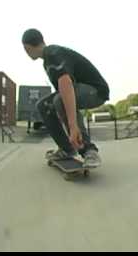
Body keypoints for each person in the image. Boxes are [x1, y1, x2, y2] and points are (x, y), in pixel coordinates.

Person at [22, 28, 109, 168]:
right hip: (79, 89)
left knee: (60, 99)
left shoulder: (52, 53)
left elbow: (66, 86)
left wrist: (73, 126)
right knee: (44, 105)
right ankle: (67, 149)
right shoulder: (48, 59)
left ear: (27, 48)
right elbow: (64, 91)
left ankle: (89, 151)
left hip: (96, 91)